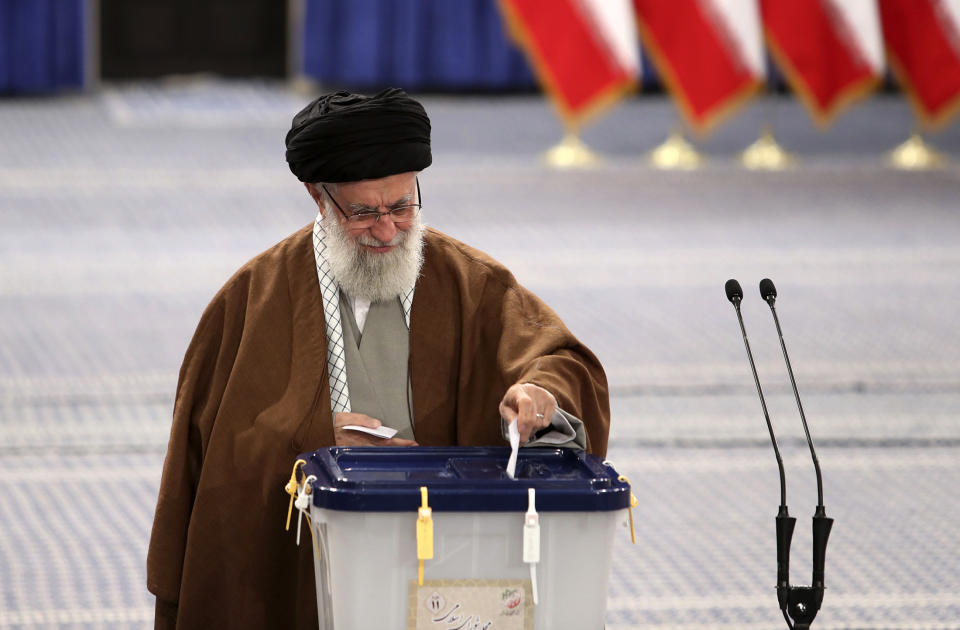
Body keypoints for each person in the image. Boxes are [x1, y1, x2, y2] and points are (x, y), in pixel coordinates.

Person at [147, 88, 609, 629]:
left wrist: (541, 395)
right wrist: (314, 440)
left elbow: (558, 358)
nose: (388, 229)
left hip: (449, 569)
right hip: (303, 577)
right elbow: (215, 464)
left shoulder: (472, 283)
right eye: (364, 213)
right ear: (317, 197)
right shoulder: (251, 300)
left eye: (402, 206)